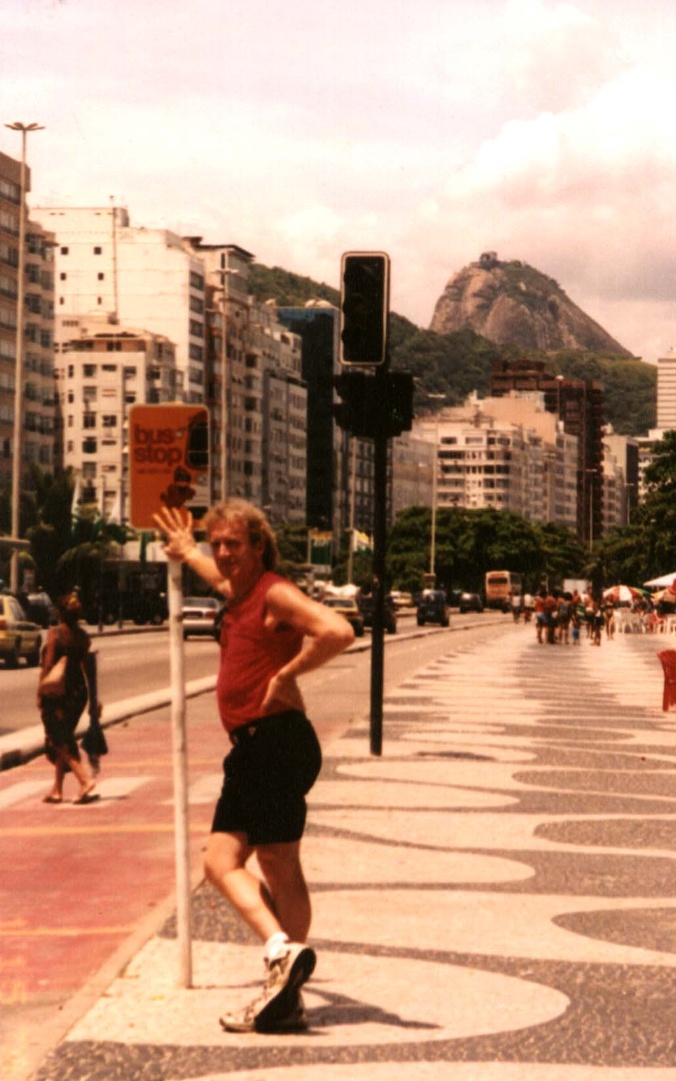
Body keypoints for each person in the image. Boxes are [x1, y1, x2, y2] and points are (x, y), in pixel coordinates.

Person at [153, 499, 355, 1034]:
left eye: (233, 545)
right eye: (217, 544)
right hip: (269, 745)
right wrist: (188, 552)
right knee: (281, 867)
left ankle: (279, 951)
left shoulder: (273, 593)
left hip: (271, 742)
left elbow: (337, 630)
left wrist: (289, 673)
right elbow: (219, 579)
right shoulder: (240, 595)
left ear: (259, 546)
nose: (222, 554)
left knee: (220, 861)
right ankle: (285, 994)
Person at [38, 591, 100, 805]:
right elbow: (87, 669)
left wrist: (41, 692)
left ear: (60, 613)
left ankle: (84, 780)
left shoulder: (55, 634)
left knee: (60, 740)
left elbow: (47, 665)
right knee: (63, 736)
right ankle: (57, 789)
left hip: (58, 693)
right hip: (78, 693)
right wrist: (93, 700)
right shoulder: (83, 637)